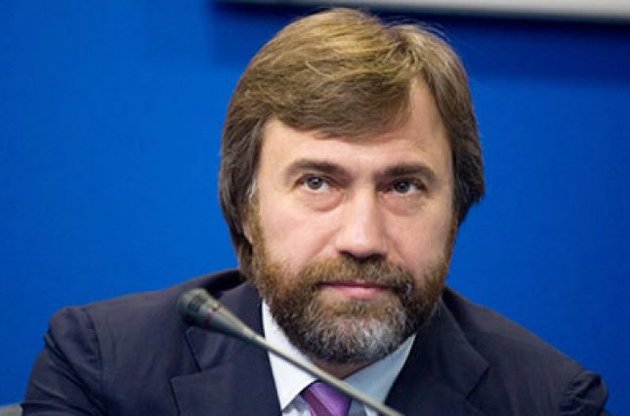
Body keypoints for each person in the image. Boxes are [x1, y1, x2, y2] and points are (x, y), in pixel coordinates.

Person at [23, 8, 608, 415]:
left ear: (456, 210)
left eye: (403, 186)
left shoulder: (551, 402)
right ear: (245, 206)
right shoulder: (104, 369)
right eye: (317, 182)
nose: (363, 238)